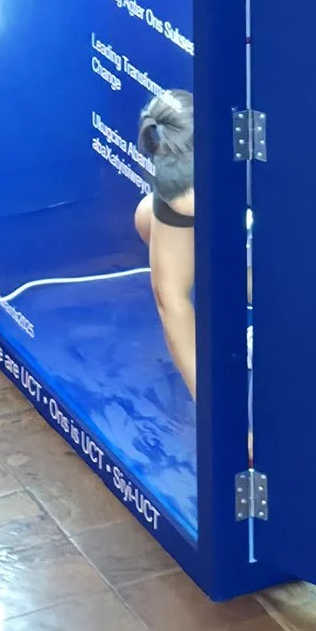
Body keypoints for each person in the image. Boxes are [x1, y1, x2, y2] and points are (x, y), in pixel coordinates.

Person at [133, 86, 197, 399]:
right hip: (237, 241)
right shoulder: (178, 182)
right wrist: (222, 416)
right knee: (146, 215)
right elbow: (171, 303)